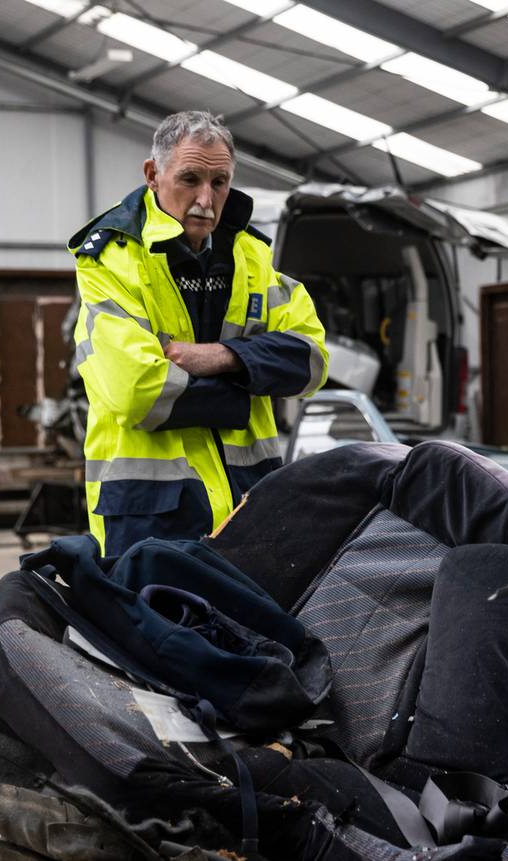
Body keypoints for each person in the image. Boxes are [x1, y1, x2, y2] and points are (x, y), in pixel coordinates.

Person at [68, 111, 328, 555]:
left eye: (219, 182)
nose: (205, 199)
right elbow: (136, 390)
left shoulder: (252, 256)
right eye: (190, 179)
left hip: (251, 502)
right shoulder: (110, 259)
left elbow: (311, 360)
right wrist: (247, 391)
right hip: (149, 514)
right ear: (153, 174)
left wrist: (224, 357)